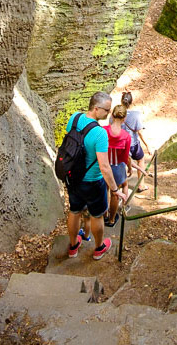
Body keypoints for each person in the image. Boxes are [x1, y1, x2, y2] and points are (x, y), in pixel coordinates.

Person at [64, 91, 120, 261]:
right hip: (92, 182)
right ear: (96, 109)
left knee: (74, 211)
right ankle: (98, 248)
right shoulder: (100, 133)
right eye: (107, 110)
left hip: (72, 177)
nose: (109, 114)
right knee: (96, 215)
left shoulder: (74, 118)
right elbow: (104, 166)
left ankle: (73, 246)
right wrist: (115, 189)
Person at [104, 104, 132, 227]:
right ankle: (111, 219)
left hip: (104, 164)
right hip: (117, 167)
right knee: (115, 193)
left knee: (104, 190)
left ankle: (104, 215)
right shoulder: (126, 136)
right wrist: (130, 167)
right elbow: (125, 157)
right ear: (124, 118)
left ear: (112, 115)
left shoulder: (103, 130)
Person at [121, 91, 151, 185]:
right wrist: (147, 145)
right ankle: (141, 184)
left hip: (120, 144)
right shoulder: (136, 115)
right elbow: (140, 132)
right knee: (140, 160)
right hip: (133, 144)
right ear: (131, 102)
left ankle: (121, 183)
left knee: (122, 163)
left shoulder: (115, 114)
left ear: (121, 102)